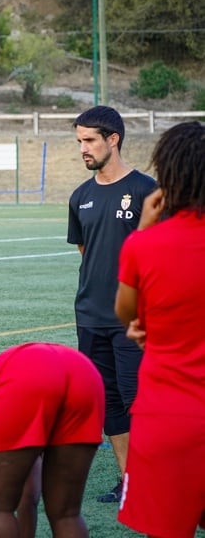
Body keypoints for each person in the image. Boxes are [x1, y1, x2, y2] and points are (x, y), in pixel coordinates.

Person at [114, 120, 205, 538]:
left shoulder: (143, 245)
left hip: (168, 415)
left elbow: (125, 312)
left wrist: (144, 229)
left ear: (168, 175)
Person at [66, 105, 156, 503]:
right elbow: (86, 251)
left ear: (113, 139)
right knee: (109, 403)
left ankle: (158, 479)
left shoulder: (146, 190)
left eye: (89, 141)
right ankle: (129, 481)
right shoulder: (80, 196)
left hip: (135, 320)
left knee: (142, 402)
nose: (83, 149)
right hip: (90, 316)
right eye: (79, 141)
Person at [0, 342, 105, 538]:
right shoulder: (12, 451)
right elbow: (28, 502)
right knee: (66, 515)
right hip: (83, 372)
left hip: (28, 373)